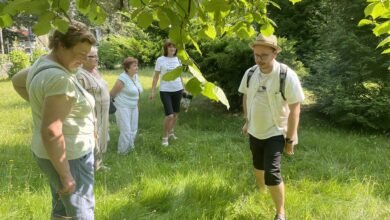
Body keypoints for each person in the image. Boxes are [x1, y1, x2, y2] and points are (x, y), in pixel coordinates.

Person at [12, 21, 96, 219]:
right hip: (69, 157)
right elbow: (51, 131)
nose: (84, 60)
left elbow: (17, 80)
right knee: (81, 212)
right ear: (60, 45)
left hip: (51, 155)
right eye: (80, 54)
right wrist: (66, 174)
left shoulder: (44, 63)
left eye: (87, 55)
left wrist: (43, 105)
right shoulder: (59, 79)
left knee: (62, 210)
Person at [238, 34, 304, 220]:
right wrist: (247, 121)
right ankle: (261, 191)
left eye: (264, 55)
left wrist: (290, 139)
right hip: (254, 130)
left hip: (276, 131)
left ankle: (280, 213)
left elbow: (295, 110)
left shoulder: (286, 75)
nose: (259, 60)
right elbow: (246, 97)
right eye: (256, 55)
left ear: (275, 53)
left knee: (272, 173)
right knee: (257, 164)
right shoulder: (250, 73)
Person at [76, 46, 110, 171]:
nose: (95, 59)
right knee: (93, 138)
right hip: (92, 114)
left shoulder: (95, 71)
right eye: (91, 56)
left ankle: (99, 164)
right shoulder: (80, 75)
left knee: (102, 136)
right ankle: (90, 167)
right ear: (82, 58)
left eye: (96, 56)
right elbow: (80, 98)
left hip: (103, 113)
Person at [149, 40, 184, 146]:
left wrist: (184, 87)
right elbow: (156, 77)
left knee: (176, 114)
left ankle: (171, 132)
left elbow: (180, 75)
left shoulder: (178, 59)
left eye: (174, 47)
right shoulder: (160, 60)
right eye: (170, 47)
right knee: (169, 115)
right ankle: (165, 137)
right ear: (166, 48)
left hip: (178, 89)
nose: (172, 49)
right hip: (165, 91)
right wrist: (153, 91)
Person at [110, 57, 143, 154]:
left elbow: (137, 92)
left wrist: (137, 104)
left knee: (133, 129)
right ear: (127, 68)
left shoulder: (136, 77)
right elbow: (112, 94)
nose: (137, 67)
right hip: (122, 107)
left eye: (137, 65)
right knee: (126, 130)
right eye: (134, 66)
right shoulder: (122, 79)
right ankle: (122, 152)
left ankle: (130, 147)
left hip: (134, 106)